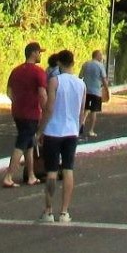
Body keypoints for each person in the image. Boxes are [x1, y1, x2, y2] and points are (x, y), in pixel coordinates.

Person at [38, 49, 85, 223]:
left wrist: (40, 130)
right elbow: (81, 112)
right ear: (73, 62)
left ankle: (48, 211)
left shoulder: (54, 81)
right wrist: (78, 128)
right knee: (68, 169)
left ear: (59, 63)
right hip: (71, 131)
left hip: (53, 131)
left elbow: (49, 108)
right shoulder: (81, 84)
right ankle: (64, 211)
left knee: (51, 172)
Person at [3, 41, 46, 188]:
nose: (40, 55)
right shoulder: (38, 72)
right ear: (33, 53)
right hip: (31, 113)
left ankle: (31, 175)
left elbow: (9, 92)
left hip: (17, 112)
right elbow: (42, 94)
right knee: (21, 143)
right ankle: (9, 176)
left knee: (29, 143)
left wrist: (18, 102)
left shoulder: (16, 71)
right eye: (39, 52)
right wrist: (45, 110)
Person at [79, 49, 108, 138]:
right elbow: (104, 79)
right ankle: (91, 130)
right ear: (97, 55)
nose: (101, 57)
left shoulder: (85, 64)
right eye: (101, 55)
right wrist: (106, 89)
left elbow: (80, 76)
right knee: (94, 111)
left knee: (85, 108)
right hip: (96, 91)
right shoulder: (100, 66)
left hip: (86, 90)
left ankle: (80, 125)